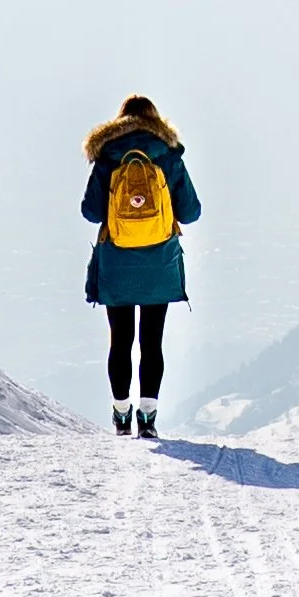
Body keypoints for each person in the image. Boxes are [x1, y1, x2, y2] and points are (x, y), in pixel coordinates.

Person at [81, 94, 202, 437]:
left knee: (120, 340)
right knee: (152, 341)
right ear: (156, 121)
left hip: (117, 258)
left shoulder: (107, 156)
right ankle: (148, 417)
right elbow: (191, 212)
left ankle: (121, 415)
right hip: (159, 259)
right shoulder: (168, 154)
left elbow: (90, 211)